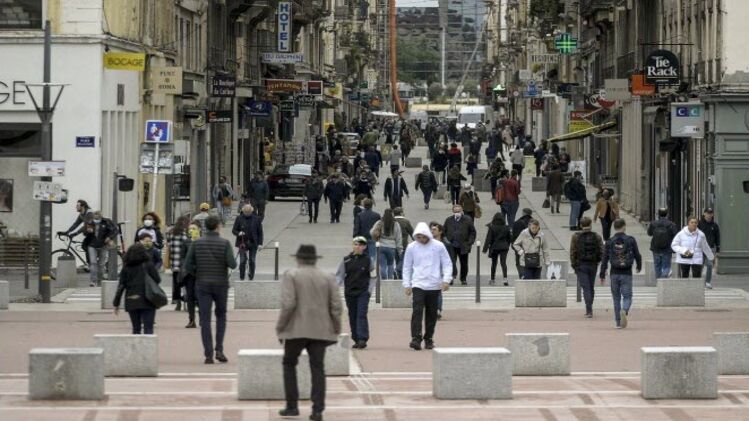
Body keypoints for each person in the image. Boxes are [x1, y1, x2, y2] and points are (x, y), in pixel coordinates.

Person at [277, 245, 342, 421]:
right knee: (318, 367)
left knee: (289, 363)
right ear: (315, 259)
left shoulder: (291, 275)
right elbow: (336, 306)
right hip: (320, 329)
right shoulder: (327, 277)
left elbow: (288, 304)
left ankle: (292, 406)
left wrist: (280, 326)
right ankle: (317, 410)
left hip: (296, 329)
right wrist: (336, 326)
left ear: (298, 258)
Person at [183, 215, 237, 364]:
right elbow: (232, 264)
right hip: (221, 284)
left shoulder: (197, 243)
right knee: (221, 316)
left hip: (202, 284)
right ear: (218, 226)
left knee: (205, 319)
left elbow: (188, 265)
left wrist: (197, 273)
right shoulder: (225, 243)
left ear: (205, 227)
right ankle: (219, 349)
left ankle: (208, 354)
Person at [402, 222, 452, 350]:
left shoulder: (438, 246)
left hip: (434, 284)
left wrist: (446, 280)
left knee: (431, 314)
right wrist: (407, 284)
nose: (421, 239)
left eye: (424, 237)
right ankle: (416, 338)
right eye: (418, 237)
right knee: (417, 310)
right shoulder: (411, 247)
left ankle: (428, 338)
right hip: (418, 283)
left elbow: (447, 263)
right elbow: (407, 266)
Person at [599, 219, 642, 329]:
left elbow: (604, 259)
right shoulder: (630, 240)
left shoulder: (609, 242)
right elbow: (637, 254)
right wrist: (639, 266)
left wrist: (602, 274)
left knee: (616, 298)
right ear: (624, 226)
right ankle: (625, 309)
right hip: (626, 272)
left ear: (614, 227)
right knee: (627, 296)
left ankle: (618, 322)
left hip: (614, 273)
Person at [113, 243, 161, 334]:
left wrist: (116, 303)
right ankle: (148, 343)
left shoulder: (126, 268)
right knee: (149, 328)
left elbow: (121, 287)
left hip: (131, 299)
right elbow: (157, 280)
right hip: (148, 299)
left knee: (136, 328)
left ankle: (136, 342)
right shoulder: (149, 265)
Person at [336, 236, 373, 349]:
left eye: (361, 245)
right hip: (350, 292)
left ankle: (362, 338)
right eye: (356, 244)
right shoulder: (346, 260)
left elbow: (374, 276)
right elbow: (339, 275)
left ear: (364, 247)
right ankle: (356, 338)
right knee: (352, 315)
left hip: (363, 292)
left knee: (361, 314)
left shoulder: (368, 260)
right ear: (353, 246)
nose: (358, 247)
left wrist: (369, 290)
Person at [570, 217, 604, 318]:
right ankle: (590, 307)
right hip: (593, 264)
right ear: (590, 225)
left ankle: (589, 310)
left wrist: (574, 265)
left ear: (581, 225)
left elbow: (573, 252)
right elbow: (602, 251)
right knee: (591, 286)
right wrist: (598, 261)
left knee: (586, 288)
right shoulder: (597, 236)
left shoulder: (576, 236)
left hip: (581, 265)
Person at [73, 210, 117, 287]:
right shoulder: (90, 222)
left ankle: (100, 280)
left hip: (103, 245)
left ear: (101, 216)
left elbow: (115, 230)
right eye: (95, 217)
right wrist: (88, 231)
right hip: (92, 245)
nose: (96, 219)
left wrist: (109, 238)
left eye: (98, 217)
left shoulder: (106, 222)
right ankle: (93, 281)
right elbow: (84, 233)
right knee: (93, 263)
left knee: (101, 264)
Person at [443, 205, 477, 285]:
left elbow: (472, 232)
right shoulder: (448, 220)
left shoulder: (467, 220)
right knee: (451, 262)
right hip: (452, 245)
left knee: (464, 263)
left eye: (458, 211)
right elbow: (444, 231)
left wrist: (469, 242)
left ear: (461, 211)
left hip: (463, 245)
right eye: (455, 211)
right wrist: (446, 241)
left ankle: (463, 278)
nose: (457, 213)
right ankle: (451, 277)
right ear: (453, 211)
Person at [369, 208, 403, 280]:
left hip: (381, 246)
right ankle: (390, 279)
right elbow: (398, 237)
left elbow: (372, 232)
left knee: (382, 265)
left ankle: (384, 278)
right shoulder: (396, 224)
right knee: (390, 264)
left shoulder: (380, 222)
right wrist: (400, 250)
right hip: (392, 247)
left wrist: (375, 238)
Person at [232, 204, 264, 281]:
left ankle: (251, 275)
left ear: (251, 211)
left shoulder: (257, 219)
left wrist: (260, 244)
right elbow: (234, 230)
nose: (247, 214)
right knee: (242, 260)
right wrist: (239, 233)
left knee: (252, 260)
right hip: (242, 242)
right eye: (245, 212)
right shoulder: (239, 218)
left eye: (248, 212)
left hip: (253, 243)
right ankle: (242, 277)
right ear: (243, 211)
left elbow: (260, 232)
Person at [166, 216, 191, 311]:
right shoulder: (185, 234)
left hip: (174, 262)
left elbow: (168, 245)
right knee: (185, 283)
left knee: (176, 283)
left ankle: (178, 303)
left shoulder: (170, 232)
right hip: (183, 263)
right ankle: (186, 302)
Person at [647, 208, 679, 279]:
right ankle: (663, 280)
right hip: (667, 248)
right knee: (666, 266)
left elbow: (649, 233)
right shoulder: (671, 224)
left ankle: (659, 281)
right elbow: (676, 235)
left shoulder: (653, 223)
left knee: (657, 266)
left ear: (658, 214)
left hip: (655, 248)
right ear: (667, 214)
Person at [483, 212, 512, 286]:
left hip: (495, 247)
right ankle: (505, 278)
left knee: (494, 263)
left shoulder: (492, 227)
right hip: (504, 247)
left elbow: (488, 239)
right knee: (503, 263)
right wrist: (507, 245)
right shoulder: (506, 227)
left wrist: (485, 249)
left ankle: (492, 279)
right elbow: (509, 238)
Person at [353, 198, 381, 265]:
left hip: (362, 238)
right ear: (372, 205)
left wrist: (355, 237)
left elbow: (356, 227)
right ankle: (370, 267)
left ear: (364, 205)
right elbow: (379, 228)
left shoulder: (359, 215)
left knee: (362, 255)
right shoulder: (377, 215)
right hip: (373, 238)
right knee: (372, 255)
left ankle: (363, 267)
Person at [698, 208, 720, 288]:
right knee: (700, 265)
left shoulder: (715, 225)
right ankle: (698, 280)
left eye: (710, 213)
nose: (709, 215)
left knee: (710, 265)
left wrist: (718, 249)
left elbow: (717, 237)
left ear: (712, 214)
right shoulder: (699, 224)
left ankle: (708, 282)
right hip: (700, 248)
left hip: (710, 248)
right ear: (704, 214)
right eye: (707, 213)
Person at [511, 208, 533, 278]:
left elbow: (514, 235)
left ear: (523, 213)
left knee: (518, 261)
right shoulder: (534, 223)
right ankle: (529, 275)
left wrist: (513, 244)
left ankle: (521, 275)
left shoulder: (517, 222)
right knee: (530, 260)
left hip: (520, 245)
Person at [393, 207, 414, 278]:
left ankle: (398, 272)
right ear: (401, 213)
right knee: (402, 259)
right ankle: (398, 271)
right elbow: (411, 232)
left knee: (397, 259)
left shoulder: (392, 221)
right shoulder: (406, 221)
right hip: (403, 244)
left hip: (393, 244)